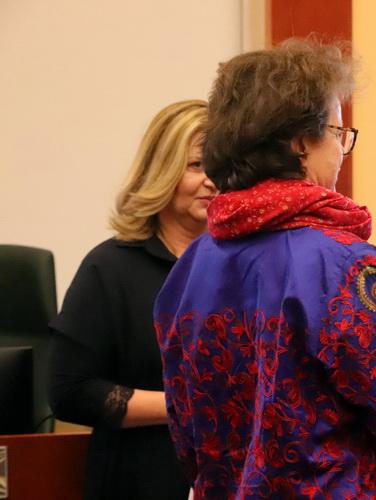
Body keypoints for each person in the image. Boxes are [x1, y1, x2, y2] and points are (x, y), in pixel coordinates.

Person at [153, 39, 376, 499]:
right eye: (338, 133)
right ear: (301, 144)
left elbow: (186, 437)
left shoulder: (191, 266)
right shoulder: (343, 264)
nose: (343, 150)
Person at [49, 99, 217, 500]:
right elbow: (71, 392)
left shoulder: (245, 264)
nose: (213, 181)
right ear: (161, 171)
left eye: (222, 166)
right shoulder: (109, 267)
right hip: (139, 477)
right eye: (197, 165)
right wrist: (186, 406)